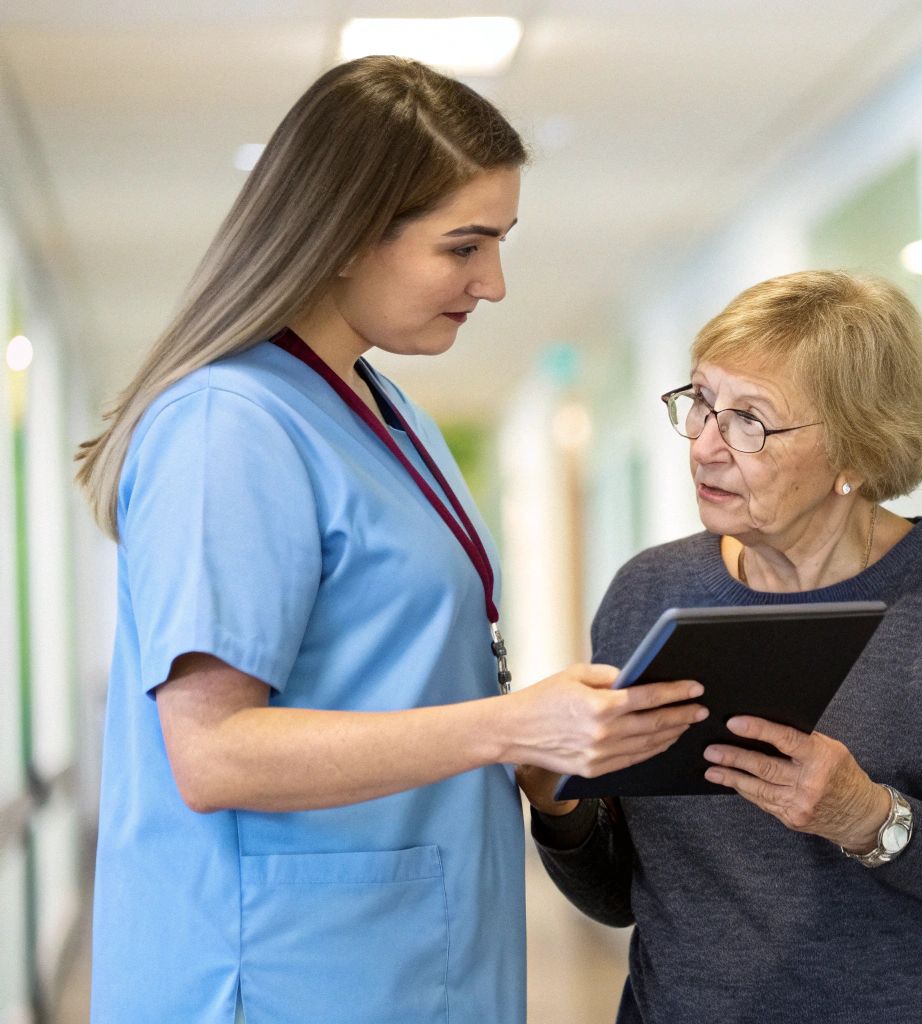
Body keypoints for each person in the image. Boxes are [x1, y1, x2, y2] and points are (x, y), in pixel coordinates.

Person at [75, 56, 704, 1024]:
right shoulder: (229, 423)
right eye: (464, 245)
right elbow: (214, 755)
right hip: (281, 971)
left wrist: (547, 741)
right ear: (340, 235)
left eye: (500, 241)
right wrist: (509, 723)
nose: (492, 282)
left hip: (405, 950)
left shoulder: (381, 409)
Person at [519, 270, 922, 1023]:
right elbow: (622, 897)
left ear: (855, 452)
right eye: (702, 403)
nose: (706, 447)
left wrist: (869, 818)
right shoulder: (647, 594)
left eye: (750, 421)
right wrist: (557, 802)